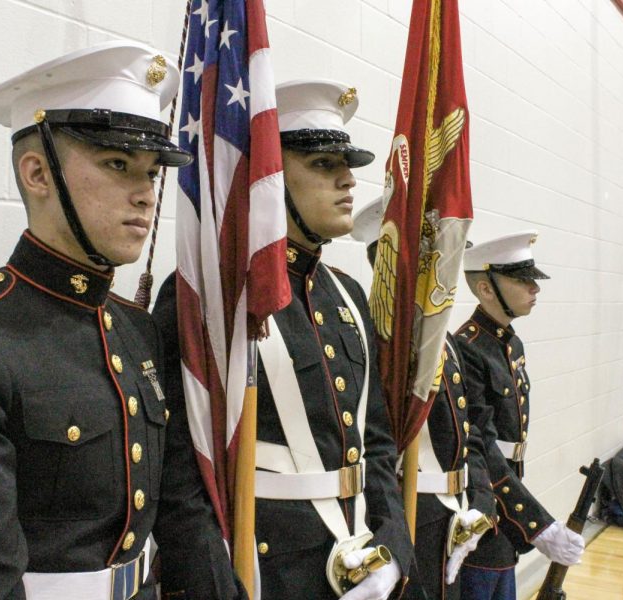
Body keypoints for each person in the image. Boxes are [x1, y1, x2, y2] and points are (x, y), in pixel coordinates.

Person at [0, 41, 198, 600]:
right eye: (117, 164)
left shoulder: (135, 327)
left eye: (151, 172)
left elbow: (171, 512)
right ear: (37, 173)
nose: (145, 194)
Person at [153, 80, 413, 599]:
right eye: (322, 165)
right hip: (268, 572)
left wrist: (392, 552)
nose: (347, 180)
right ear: (269, 176)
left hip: (362, 561)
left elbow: (377, 445)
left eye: (348, 165)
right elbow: (181, 475)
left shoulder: (348, 295)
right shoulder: (213, 296)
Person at [351, 197, 497, 599]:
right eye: (439, 258)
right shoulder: (377, 341)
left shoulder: (445, 342)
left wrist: (482, 503)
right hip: (405, 517)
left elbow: (474, 439)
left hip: (450, 519)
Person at [452, 232, 585, 600]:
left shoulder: (510, 343)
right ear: (486, 289)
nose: (534, 288)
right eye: (521, 280)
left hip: (508, 505)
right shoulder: (467, 348)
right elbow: (482, 449)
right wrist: (538, 526)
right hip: (482, 505)